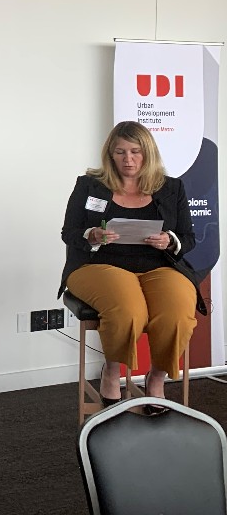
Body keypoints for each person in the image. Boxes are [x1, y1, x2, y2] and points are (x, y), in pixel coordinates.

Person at [60, 121, 199, 410]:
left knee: (178, 313)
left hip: (158, 266)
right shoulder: (89, 185)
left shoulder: (171, 188)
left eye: (136, 152)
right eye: (120, 152)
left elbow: (188, 237)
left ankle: (156, 378)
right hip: (98, 264)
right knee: (128, 311)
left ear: (148, 153)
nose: (128, 160)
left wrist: (168, 240)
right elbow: (69, 232)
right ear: (110, 154)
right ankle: (112, 371)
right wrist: (92, 235)